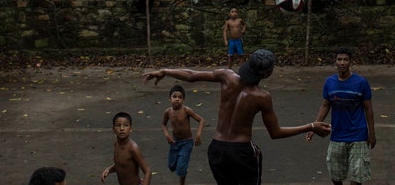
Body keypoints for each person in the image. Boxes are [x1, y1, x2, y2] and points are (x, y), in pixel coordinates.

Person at [144, 48, 331, 185]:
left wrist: (165, 71)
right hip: (241, 151)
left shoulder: (227, 76)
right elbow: (276, 133)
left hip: (216, 149)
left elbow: (192, 75)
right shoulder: (262, 97)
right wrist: (311, 126)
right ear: (268, 73)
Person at [307, 47, 376, 185]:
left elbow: (368, 108)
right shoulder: (329, 82)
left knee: (358, 176)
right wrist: (314, 126)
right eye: (340, 59)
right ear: (335, 62)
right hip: (337, 135)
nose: (342, 62)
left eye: (345, 59)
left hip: (358, 135)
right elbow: (325, 105)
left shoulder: (361, 82)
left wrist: (372, 133)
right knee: (336, 175)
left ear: (350, 62)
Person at [160, 84, 206, 185]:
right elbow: (163, 124)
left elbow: (201, 120)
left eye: (180, 97)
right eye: (174, 97)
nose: (177, 99)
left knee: (181, 168)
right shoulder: (168, 112)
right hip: (175, 142)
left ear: (183, 99)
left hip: (187, 142)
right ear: (169, 98)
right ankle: (182, 168)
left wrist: (198, 135)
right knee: (171, 165)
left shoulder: (186, 110)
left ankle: (182, 180)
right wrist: (167, 135)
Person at [101, 112, 152, 185]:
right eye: (118, 125)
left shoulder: (133, 148)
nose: (122, 128)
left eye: (126, 125)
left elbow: (148, 171)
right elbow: (121, 164)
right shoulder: (116, 145)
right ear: (113, 129)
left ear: (130, 129)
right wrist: (109, 169)